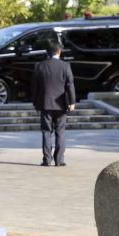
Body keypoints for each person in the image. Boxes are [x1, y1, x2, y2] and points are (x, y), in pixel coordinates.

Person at [31, 39, 76, 167]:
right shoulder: (65, 66)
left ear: (47, 52)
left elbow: (35, 87)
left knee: (46, 132)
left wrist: (35, 102)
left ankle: (46, 159)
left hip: (45, 104)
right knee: (60, 132)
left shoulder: (39, 66)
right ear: (59, 51)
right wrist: (72, 102)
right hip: (61, 104)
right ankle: (59, 160)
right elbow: (70, 85)